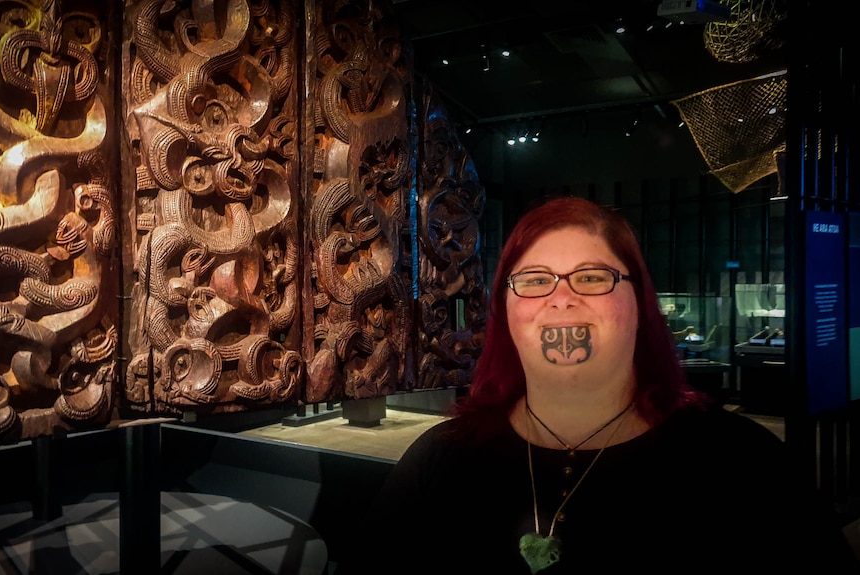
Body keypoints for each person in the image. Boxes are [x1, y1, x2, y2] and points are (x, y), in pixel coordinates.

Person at [335, 196, 857, 574]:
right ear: (506, 312)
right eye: (535, 279)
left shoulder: (744, 464)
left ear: (638, 307)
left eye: (591, 276)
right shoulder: (439, 460)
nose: (561, 298)